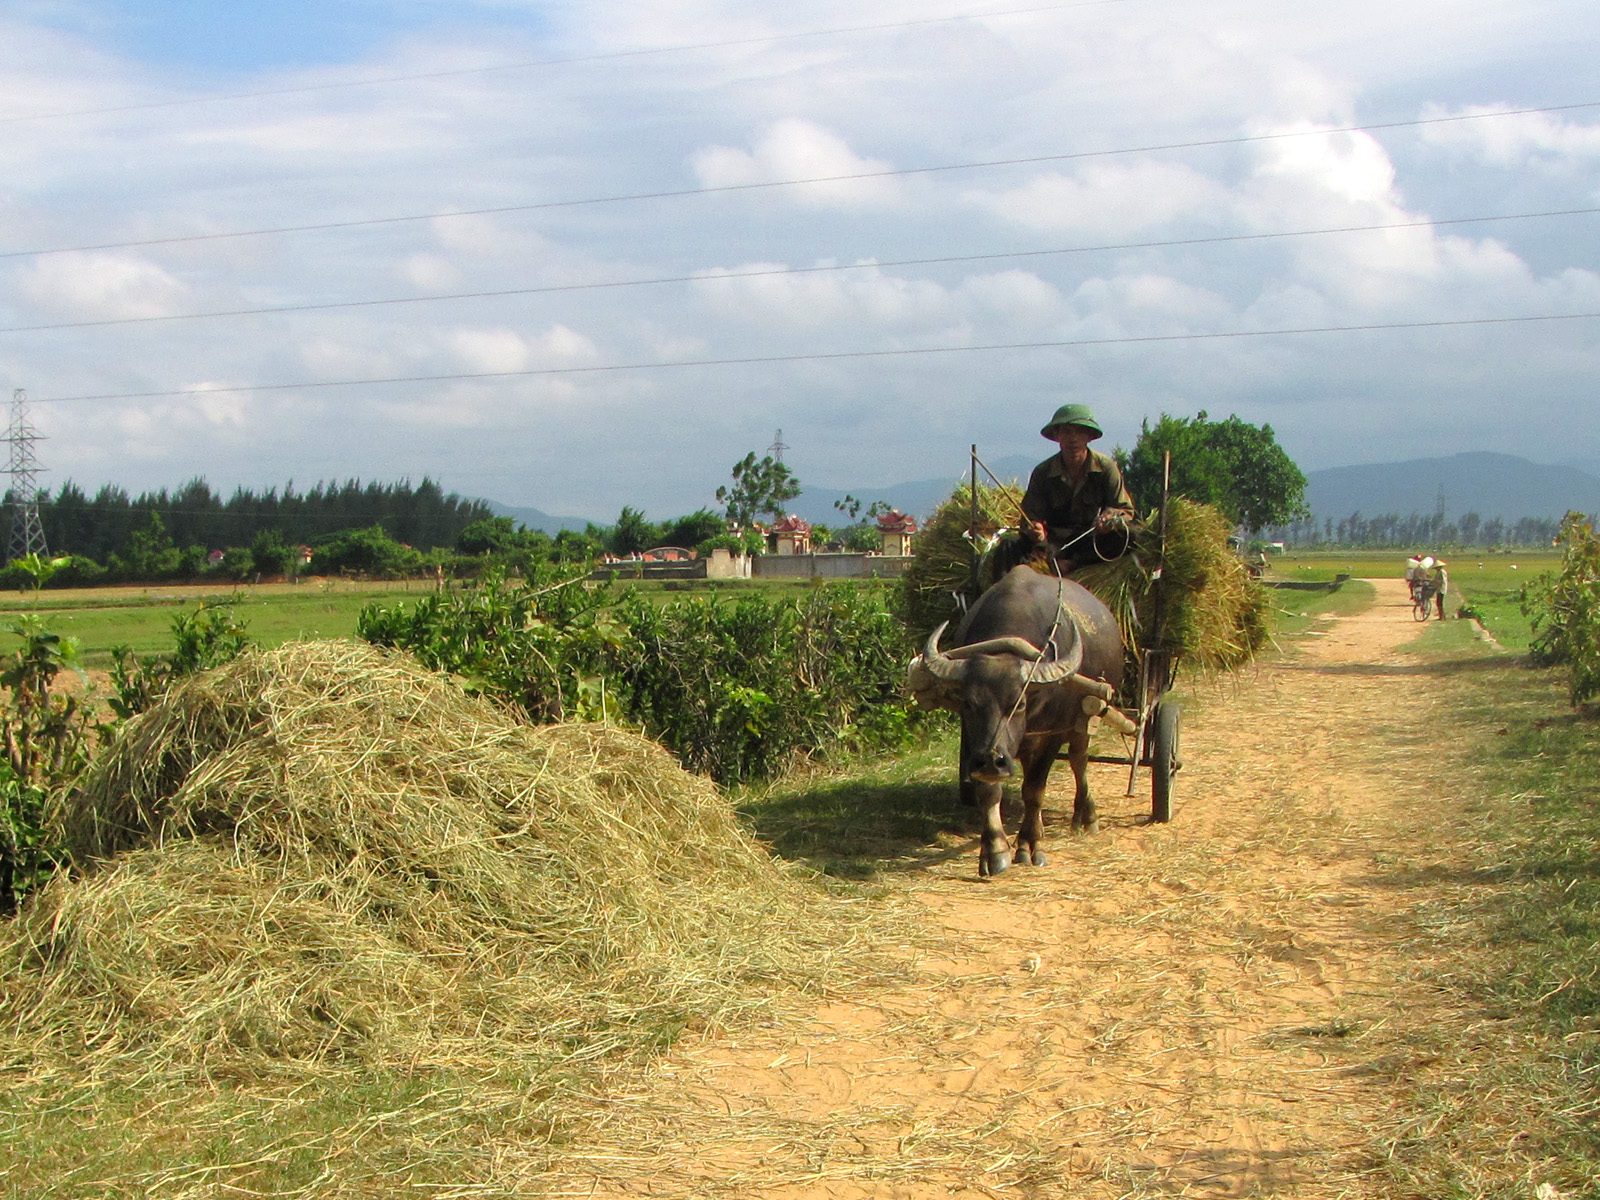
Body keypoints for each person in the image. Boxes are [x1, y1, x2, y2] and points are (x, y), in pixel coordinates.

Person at [1015, 402, 1136, 572]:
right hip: (1053, 543)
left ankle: (1074, 564)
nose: (1073, 438)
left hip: (1090, 542)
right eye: (1067, 432)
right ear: (1057, 436)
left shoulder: (1106, 468)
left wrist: (1110, 519)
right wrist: (1036, 531)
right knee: (1009, 546)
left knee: (1131, 535)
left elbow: (1126, 511)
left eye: (1080, 432)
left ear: (1089, 436)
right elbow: (1029, 518)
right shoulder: (1043, 472)